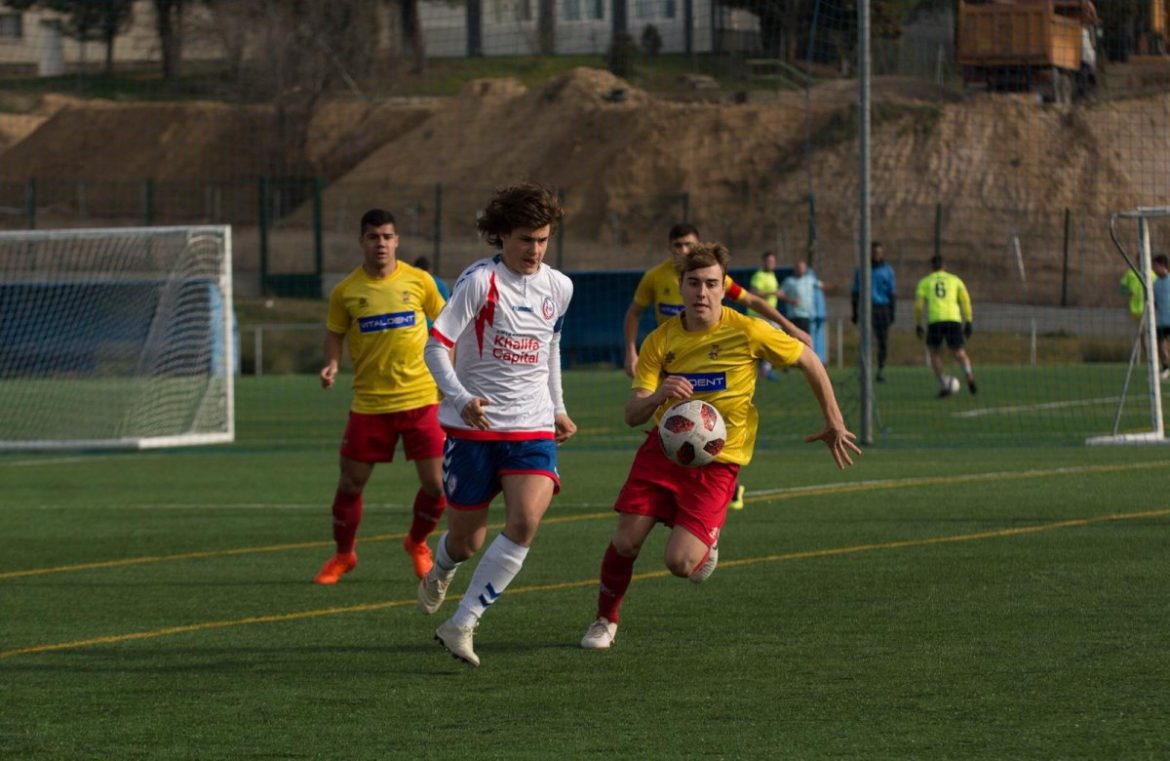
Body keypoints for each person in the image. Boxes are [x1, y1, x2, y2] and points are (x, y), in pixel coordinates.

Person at [580, 242, 860, 650]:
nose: (702, 292)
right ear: (680, 286)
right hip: (662, 451)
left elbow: (809, 360)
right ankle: (605, 620)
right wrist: (659, 395)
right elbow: (631, 413)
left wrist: (834, 420)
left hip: (718, 462)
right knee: (625, 541)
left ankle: (707, 533)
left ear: (722, 286)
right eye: (693, 283)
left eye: (712, 284)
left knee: (680, 564)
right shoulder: (660, 341)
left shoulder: (746, 330)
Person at [418, 183, 576, 668]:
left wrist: (557, 408)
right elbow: (435, 345)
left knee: (526, 522)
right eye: (526, 239)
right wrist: (461, 398)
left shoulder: (559, 287)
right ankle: (441, 564)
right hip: (473, 430)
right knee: (468, 541)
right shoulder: (478, 282)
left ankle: (463, 623)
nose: (535, 250)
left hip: (530, 426)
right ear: (503, 237)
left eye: (543, 240)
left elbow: (549, 348)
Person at [622, 225, 810, 512]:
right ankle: (677, 487)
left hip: (712, 353)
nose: (683, 251)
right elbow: (634, 312)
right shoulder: (655, 277)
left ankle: (721, 486)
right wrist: (631, 349)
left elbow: (751, 300)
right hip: (670, 358)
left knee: (715, 418)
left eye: (689, 245)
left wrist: (789, 327)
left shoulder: (714, 278)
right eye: (678, 246)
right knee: (672, 421)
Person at [314, 209, 448, 585]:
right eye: (373, 237)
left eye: (387, 237)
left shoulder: (420, 282)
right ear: (362, 242)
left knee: (438, 486)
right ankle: (344, 554)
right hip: (370, 404)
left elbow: (450, 325)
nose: (381, 244)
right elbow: (334, 333)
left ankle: (417, 542)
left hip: (421, 399)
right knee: (350, 484)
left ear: (397, 241)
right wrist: (332, 364)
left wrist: (450, 376)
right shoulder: (346, 291)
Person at [913, 254, 977, 398]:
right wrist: (968, 321)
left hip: (935, 320)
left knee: (934, 353)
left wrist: (918, 323)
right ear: (944, 266)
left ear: (931, 267)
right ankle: (969, 375)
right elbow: (965, 301)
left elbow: (918, 306)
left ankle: (944, 383)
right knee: (959, 352)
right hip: (953, 319)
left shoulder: (925, 282)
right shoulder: (955, 280)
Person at [851, 241, 897, 382]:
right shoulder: (862, 270)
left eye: (878, 252)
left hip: (882, 308)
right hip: (866, 308)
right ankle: (863, 371)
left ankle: (881, 370)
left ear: (882, 254)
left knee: (882, 341)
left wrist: (892, 312)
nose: (876, 254)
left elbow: (892, 292)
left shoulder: (888, 270)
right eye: (874, 252)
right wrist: (855, 312)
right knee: (865, 340)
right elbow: (855, 292)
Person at [749, 251, 780, 380]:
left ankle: (764, 369)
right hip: (759, 314)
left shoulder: (772, 275)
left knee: (772, 337)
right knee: (776, 334)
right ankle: (764, 369)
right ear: (764, 262)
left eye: (773, 261)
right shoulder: (759, 275)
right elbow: (753, 292)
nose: (771, 264)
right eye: (768, 261)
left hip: (769, 314)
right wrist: (772, 293)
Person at [776, 257, 823, 336]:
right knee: (793, 340)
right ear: (795, 268)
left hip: (806, 316)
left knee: (805, 340)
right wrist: (790, 300)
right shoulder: (789, 281)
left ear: (805, 269)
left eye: (802, 268)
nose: (800, 269)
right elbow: (779, 294)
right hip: (793, 316)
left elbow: (822, 285)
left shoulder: (810, 280)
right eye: (798, 267)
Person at [1153, 254, 1170, 381]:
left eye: (1156, 266)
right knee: (1161, 346)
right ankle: (1165, 368)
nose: (1154, 268)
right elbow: (1154, 302)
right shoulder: (1155, 284)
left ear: (1163, 266)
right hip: (1162, 321)